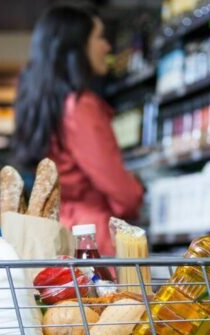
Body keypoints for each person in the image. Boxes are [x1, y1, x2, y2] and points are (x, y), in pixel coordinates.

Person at [14, 3, 144, 258]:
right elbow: (121, 191)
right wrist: (137, 190)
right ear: (75, 47)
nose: (107, 46)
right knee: (102, 298)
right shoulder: (80, 107)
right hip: (91, 238)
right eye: (99, 37)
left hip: (56, 232)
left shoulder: (44, 105)